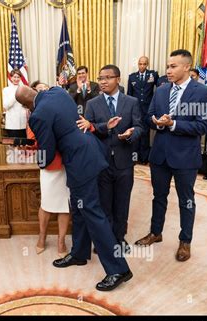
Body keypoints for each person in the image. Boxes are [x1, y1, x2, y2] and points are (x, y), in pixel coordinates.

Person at [15, 85, 132, 292]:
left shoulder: (37, 115)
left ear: (26, 106)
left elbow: (48, 150)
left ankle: (118, 269)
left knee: (94, 214)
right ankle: (79, 253)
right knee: (78, 209)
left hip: (80, 162)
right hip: (92, 149)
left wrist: (40, 161)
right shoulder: (58, 91)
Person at [134, 49, 207, 262]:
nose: (168, 70)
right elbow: (149, 116)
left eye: (173, 66)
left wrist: (174, 124)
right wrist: (156, 121)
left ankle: (185, 240)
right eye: (168, 66)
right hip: (159, 155)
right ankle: (155, 232)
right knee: (158, 197)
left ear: (186, 67)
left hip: (185, 157)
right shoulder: (160, 91)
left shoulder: (202, 92)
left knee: (186, 200)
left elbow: (202, 126)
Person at [79, 65, 143, 250]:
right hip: (101, 162)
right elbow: (87, 129)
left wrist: (131, 133)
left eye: (108, 77)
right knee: (103, 203)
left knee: (122, 203)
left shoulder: (131, 102)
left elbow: (140, 127)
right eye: (100, 78)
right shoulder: (92, 103)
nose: (103, 81)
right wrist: (104, 126)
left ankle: (119, 238)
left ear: (118, 79)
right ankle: (104, 241)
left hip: (124, 161)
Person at [28, 81, 69, 257]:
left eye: (46, 88)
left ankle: (61, 241)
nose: (44, 91)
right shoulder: (35, 116)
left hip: (66, 162)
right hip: (49, 164)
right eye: (39, 90)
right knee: (46, 203)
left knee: (64, 206)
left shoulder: (64, 108)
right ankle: (42, 236)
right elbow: (32, 139)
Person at [127, 56, 159, 164]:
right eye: (140, 64)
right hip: (136, 110)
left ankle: (144, 158)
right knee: (135, 133)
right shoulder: (132, 77)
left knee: (145, 134)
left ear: (147, 64)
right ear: (138, 64)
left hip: (148, 109)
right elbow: (129, 94)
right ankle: (135, 157)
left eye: (144, 64)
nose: (142, 66)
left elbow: (158, 90)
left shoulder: (153, 75)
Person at [3, 69, 27, 138]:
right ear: (11, 78)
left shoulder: (24, 88)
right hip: (12, 123)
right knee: (13, 145)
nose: (16, 79)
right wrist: (16, 93)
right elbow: (6, 106)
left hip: (23, 122)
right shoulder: (6, 90)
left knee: (23, 144)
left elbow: (26, 104)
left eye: (18, 77)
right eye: (14, 77)